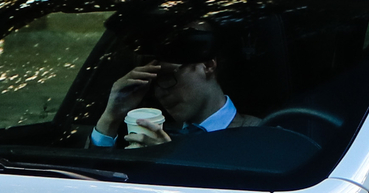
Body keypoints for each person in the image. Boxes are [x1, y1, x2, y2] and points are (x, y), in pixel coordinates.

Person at [90, 29, 253, 147]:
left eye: (168, 76)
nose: (160, 92)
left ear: (207, 65)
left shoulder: (260, 134)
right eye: (151, 83)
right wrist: (111, 117)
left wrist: (166, 160)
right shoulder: (146, 133)